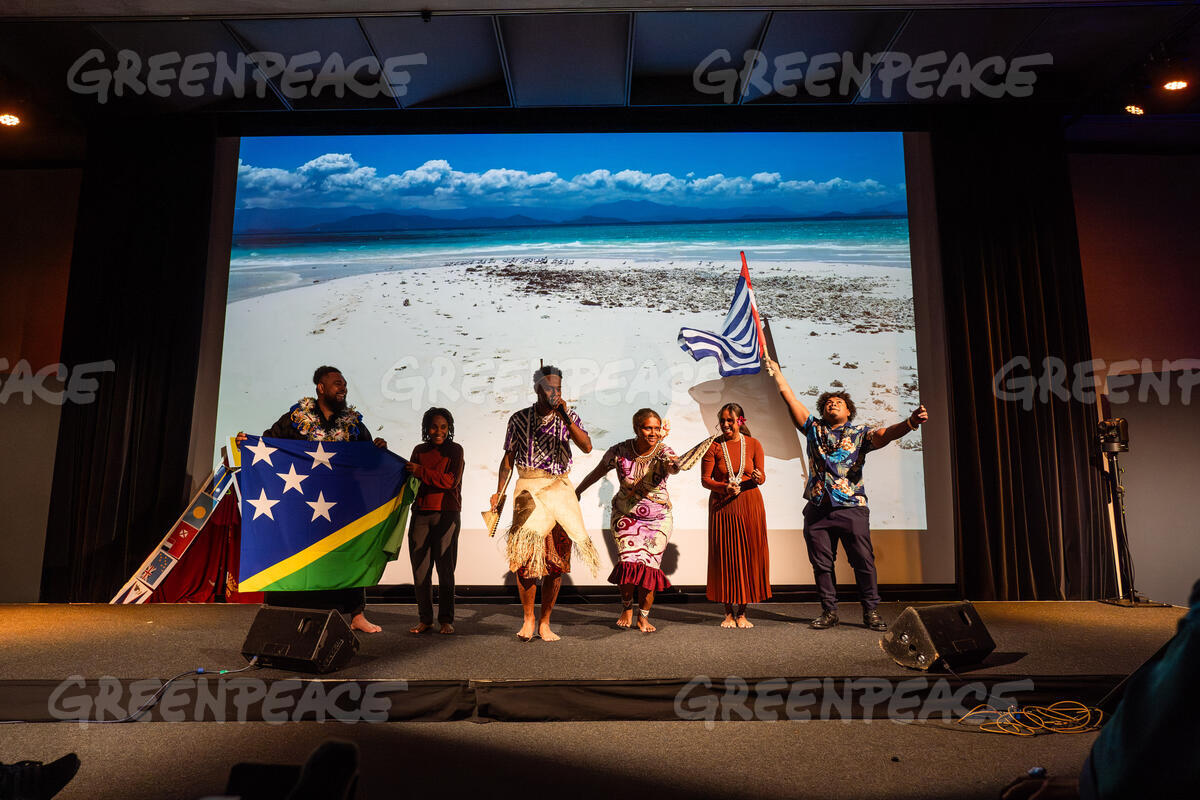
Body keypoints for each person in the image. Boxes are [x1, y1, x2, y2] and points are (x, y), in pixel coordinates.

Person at [764, 356, 927, 632]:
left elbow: (885, 434)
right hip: (818, 508)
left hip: (851, 507)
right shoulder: (813, 430)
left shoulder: (860, 434)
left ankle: (871, 611)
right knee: (822, 564)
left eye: (838, 402)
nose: (832, 404)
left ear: (849, 411)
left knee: (863, 562)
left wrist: (910, 422)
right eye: (828, 402)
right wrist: (778, 375)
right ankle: (829, 612)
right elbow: (790, 400)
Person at [236, 365, 388, 634]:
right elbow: (270, 445)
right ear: (321, 387)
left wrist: (376, 449)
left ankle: (356, 614)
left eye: (344, 384)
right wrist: (248, 443)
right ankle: (282, 610)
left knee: (350, 552)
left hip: (342, 506)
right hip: (302, 507)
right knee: (291, 550)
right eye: (337, 383)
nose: (343, 388)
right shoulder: (296, 418)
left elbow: (367, 463)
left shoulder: (353, 425)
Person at [490, 365, 600, 642]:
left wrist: (564, 414)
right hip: (528, 488)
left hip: (559, 489)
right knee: (526, 559)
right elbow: (508, 459)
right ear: (537, 388)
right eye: (549, 387)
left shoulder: (569, 416)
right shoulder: (518, 419)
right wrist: (498, 492)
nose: (554, 392)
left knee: (556, 562)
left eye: (559, 388)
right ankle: (527, 618)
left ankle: (545, 622)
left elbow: (587, 447)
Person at [575, 408, 680, 633]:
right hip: (626, 516)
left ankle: (644, 616)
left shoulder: (664, 451)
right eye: (647, 428)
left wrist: (675, 465)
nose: (653, 432)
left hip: (658, 518)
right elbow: (597, 472)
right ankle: (626, 608)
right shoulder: (620, 450)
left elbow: (673, 467)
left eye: (656, 428)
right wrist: (578, 490)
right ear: (636, 429)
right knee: (629, 565)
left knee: (649, 568)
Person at [701, 402, 770, 628]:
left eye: (730, 420)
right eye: (722, 420)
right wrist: (723, 488)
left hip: (749, 505)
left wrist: (758, 477)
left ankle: (742, 612)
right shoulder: (713, 446)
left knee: (749, 556)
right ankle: (728, 612)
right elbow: (705, 480)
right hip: (723, 506)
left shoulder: (753, 444)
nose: (725, 424)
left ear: (741, 421)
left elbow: (760, 476)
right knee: (726, 557)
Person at [405, 407, 464, 635]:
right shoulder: (419, 450)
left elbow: (450, 481)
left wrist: (421, 471)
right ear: (426, 428)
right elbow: (409, 477)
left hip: (447, 514)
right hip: (420, 514)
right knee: (420, 571)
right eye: (433, 426)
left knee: (445, 569)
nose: (438, 431)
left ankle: (446, 620)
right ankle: (425, 619)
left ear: (449, 429)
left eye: (443, 427)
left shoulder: (455, 450)